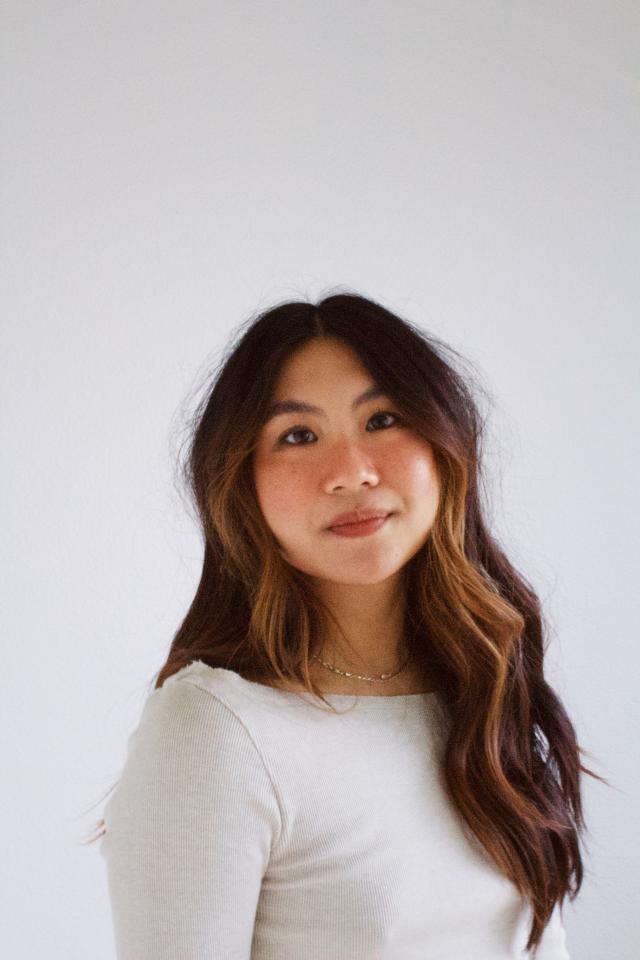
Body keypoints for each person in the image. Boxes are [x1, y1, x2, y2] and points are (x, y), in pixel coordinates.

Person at [94, 292, 601, 958]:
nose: (353, 473)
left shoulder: (484, 692)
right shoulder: (215, 728)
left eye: (383, 419)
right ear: (241, 484)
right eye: (298, 436)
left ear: (445, 444)